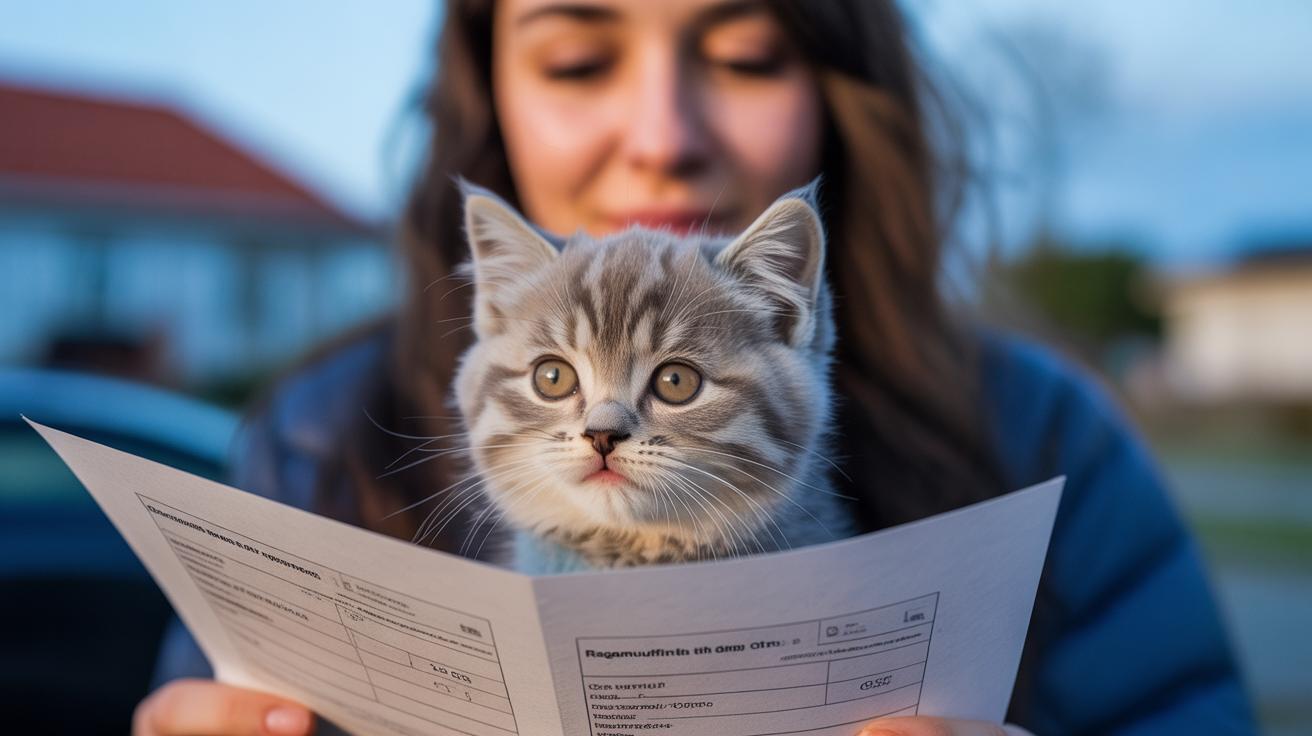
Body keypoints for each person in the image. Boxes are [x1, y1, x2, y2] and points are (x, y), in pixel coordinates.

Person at [134, 1, 1257, 734]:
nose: (663, 133)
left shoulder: (1052, 445)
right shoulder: (312, 446)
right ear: (491, 88)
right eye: (578, 58)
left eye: (742, 54)